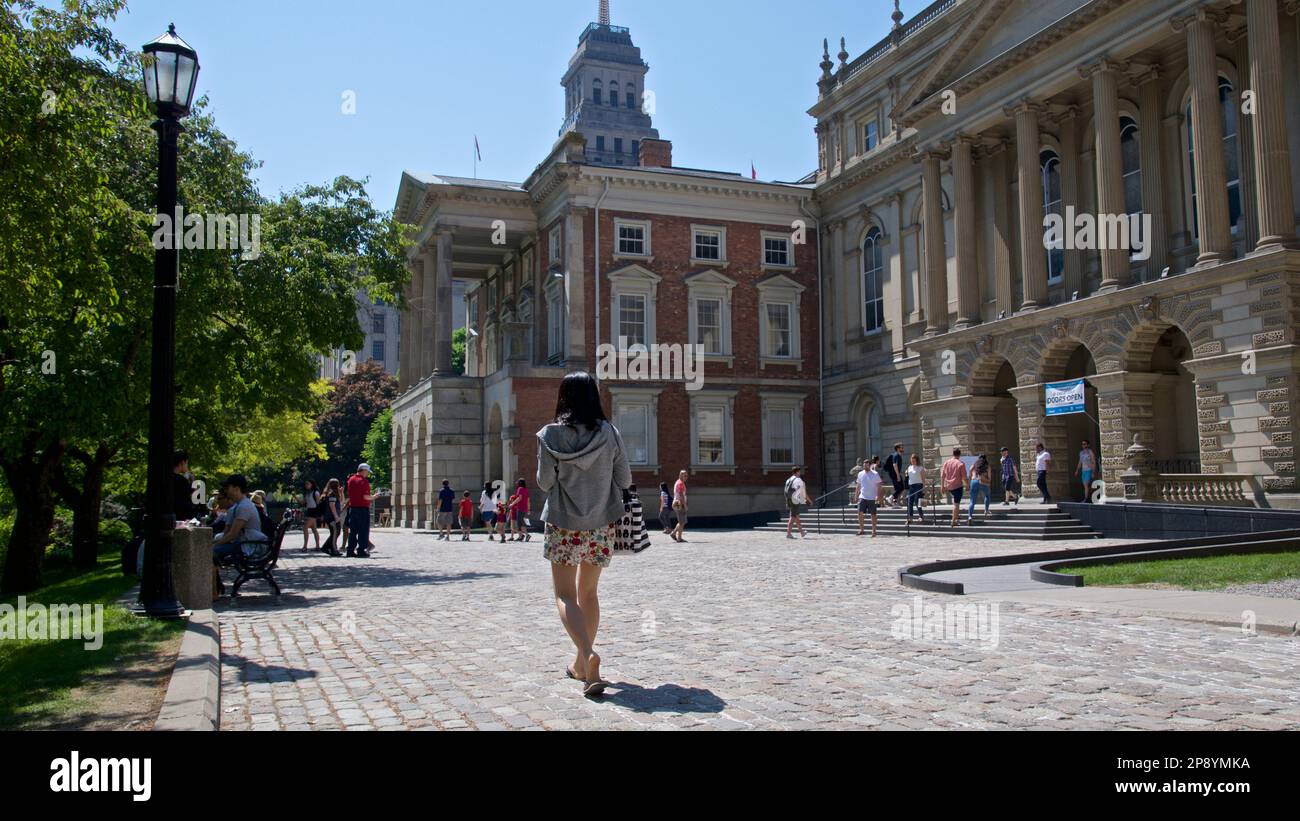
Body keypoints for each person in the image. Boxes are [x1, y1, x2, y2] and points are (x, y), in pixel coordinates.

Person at [536, 372, 632, 698]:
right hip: (601, 523)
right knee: (588, 594)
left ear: (563, 397)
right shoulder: (610, 433)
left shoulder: (549, 435)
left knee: (564, 596)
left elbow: (545, 482)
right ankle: (582, 664)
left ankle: (587, 655)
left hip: (563, 523)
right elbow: (624, 478)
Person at [211, 475, 269, 595]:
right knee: (210, 551)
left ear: (236, 489)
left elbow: (232, 535)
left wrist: (213, 545)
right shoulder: (239, 506)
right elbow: (228, 533)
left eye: (228, 487)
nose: (226, 490)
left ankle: (214, 592)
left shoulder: (244, 507)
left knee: (209, 553)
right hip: (243, 544)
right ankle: (216, 589)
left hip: (248, 547)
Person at [345, 464, 375, 558]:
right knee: (363, 531)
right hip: (362, 509)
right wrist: (374, 497)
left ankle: (350, 550)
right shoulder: (364, 481)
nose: (367, 474)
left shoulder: (351, 480)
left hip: (352, 508)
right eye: (367, 472)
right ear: (363, 470)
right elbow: (365, 497)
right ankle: (361, 550)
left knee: (353, 531)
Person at [172, 450, 204, 525]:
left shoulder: (164, 479)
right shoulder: (181, 480)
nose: (187, 465)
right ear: (182, 462)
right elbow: (195, 500)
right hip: (182, 519)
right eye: (187, 463)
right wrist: (193, 481)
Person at [941, 448, 969, 528]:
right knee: (956, 504)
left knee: (955, 504)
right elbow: (964, 477)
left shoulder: (947, 462)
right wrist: (967, 485)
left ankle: (956, 515)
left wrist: (942, 486)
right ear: (959, 455)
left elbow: (942, 475)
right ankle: (953, 521)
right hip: (957, 486)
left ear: (953, 454)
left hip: (949, 486)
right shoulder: (960, 463)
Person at [856, 457, 884, 538]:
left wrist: (878, 496)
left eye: (867, 466)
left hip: (872, 497)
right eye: (864, 466)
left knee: (873, 514)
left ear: (870, 465)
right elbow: (858, 485)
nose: (865, 467)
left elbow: (879, 486)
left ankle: (874, 531)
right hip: (863, 496)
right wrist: (856, 495)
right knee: (860, 512)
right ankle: (862, 530)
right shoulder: (860, 474)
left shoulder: (875, 474)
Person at [784, 466, 808, 540]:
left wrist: (787, 500)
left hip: (789, 499)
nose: (800, 473)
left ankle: (802, 532)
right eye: (799, 471)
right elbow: (802, 491)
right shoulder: (798, 479)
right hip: (795, 499)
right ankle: (788, 533)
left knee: (796, 516)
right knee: (793, 516)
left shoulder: (788, 479)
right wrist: (808, 500)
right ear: (797, 472)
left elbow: (785, 490)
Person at [320, 478, 343, 556]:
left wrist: (341, 493)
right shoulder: (332, 494)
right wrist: (336, 516)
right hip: (332, 517)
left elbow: (341, 502)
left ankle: (326, 547)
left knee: (336, 532)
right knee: (335, 533)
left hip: (331, 516)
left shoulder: (332, 493)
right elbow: (332, 505)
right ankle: (333, 549)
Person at [968, 454, 992, 524]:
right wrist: (987, 480)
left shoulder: (975, 464)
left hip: (974, 481)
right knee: (987, 495)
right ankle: (986, 510)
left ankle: (970, 517)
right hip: (983, 482)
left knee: (972, 501)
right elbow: (989, 478)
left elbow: (970, 470)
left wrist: (971, 480)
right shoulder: (987, 466)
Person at [301, 479, 322, 551]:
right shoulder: (307, 493)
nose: (306, 485)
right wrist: (294, 496)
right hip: (309, 511)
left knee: (305, 528)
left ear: (312, 484)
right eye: (306, 484)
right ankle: (318, 546)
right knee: (314, 529)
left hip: (314, 511)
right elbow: (302, 503)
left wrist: (319, 514)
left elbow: (318, 504)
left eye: (308, 484)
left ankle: (305, 546)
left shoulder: (316, 493)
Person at [905, 453, 926, 523]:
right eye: (912, 460)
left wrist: (924, 488)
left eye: (914, 460)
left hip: (918, 485)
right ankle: (910, 518)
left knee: (917, 501)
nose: (913, 461)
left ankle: (921, 516)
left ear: (917, 460)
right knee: (909, 502)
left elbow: (923, 479)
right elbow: (908, 476)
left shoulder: (920, 468)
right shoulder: (909, 468)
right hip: (911, 486)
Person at [672, 470, 689, 543]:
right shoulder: (680, 483)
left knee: (681, 521)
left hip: (677, 503)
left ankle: (674, 533)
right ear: (681, 475)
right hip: (679, 504)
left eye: (686, 475)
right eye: (685, 475)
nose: (686, 477)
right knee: (682, 522)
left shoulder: (678, 482)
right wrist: (685, 505)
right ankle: (678, 538)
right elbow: (681, 495)